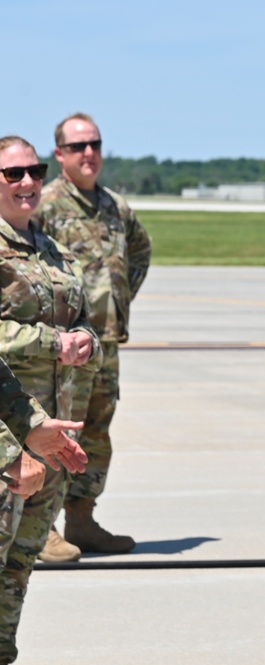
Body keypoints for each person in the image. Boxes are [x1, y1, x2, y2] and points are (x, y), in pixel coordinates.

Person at [33, 113, 151, 559]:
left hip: (104, 344)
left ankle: (81, 520)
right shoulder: (44, 205)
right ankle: (39, 527)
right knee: (53, 433)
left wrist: (119, 300)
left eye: (95, 144)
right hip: (61, 350)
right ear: (59, 154)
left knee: (96, 433)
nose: (89, 153)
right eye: (78, 146)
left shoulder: (114, 206)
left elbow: (140, 249)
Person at [0, 135, 100, 663]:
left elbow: (81, 319)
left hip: (53, 437)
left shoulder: (53, 248)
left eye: (34, 171)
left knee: (19, 566)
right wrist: (50, 343)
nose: (27, 183)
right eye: (12, 174)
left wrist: (88, 340)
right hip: (9, 434)